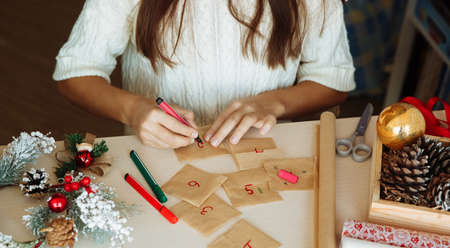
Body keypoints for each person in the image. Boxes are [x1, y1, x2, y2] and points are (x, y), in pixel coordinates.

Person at [53, 0, 355, 149]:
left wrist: (276, 103)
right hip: (157, 161)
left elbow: (333, 80)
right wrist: (132, 110)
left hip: (264, 159)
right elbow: (74, 73)